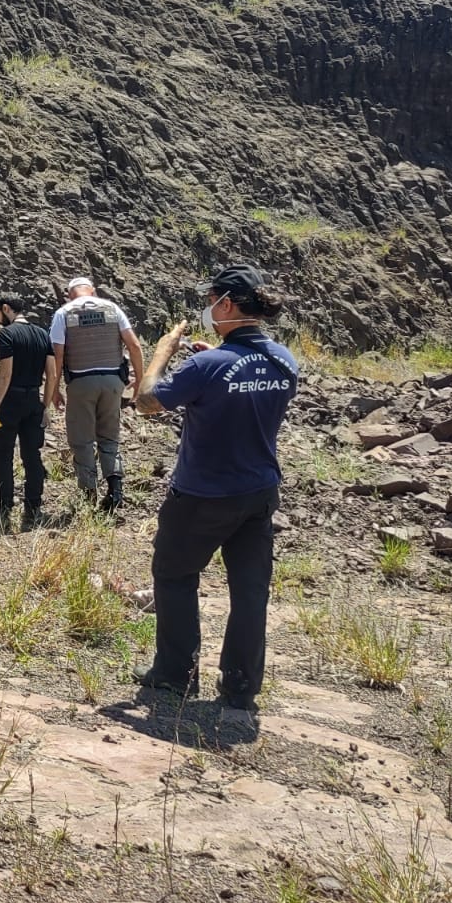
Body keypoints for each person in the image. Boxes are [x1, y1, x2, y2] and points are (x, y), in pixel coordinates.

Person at [131, 264, 297, 726]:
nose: (208, 307)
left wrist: (163, 354)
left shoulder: (206, 365)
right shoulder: (284, 360)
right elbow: (241, 389)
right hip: (259, 491)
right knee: (249, 591)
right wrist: (209, 366)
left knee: (175, 575)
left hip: (202, 493)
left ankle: (174, 674)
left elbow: (147, 401)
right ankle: (240, 687)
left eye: (211, 299)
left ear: (226, 303)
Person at [50, 277, 144, 512]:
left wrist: (53, 389)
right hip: (113, 381)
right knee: (109, 435)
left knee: (81, 438)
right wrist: (140, 380)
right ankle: (115, 490)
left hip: (81, 382)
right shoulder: (112, 308)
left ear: (70, 294)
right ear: (93, 291)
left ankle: (89, 493)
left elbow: (58, 356)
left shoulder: (63, 313)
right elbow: (134, 346)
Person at [0, 293, 56, 531]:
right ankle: (33, 506)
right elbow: (52, 374)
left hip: (10, 401)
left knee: (2, 454)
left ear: (6, 309)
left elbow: (5, 375)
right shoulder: (43, 334)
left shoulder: (6, 335)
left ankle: (4, 506)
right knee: (32, 454)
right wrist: (46, 406)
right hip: (34, 399)